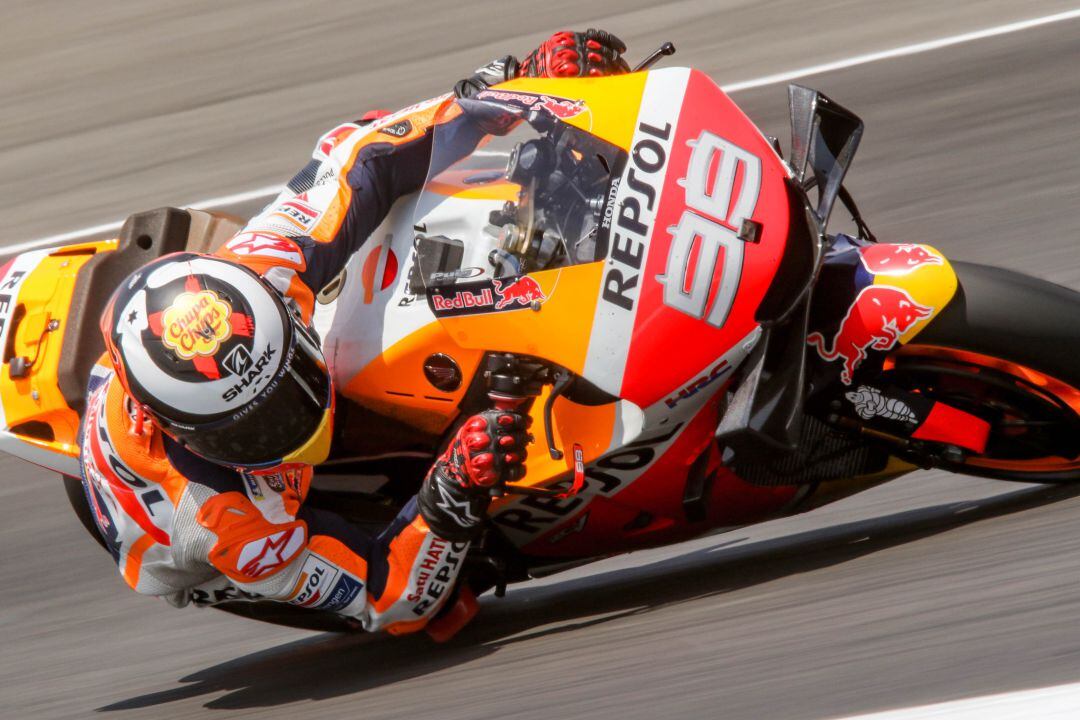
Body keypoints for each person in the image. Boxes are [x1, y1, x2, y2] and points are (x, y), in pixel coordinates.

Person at [79, 30, 630, 638]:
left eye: (286, 384)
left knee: (410, 208)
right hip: (219, 538)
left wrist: (510, 89)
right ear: (187, 432)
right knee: (446, 611)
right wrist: (447, 496)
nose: (290, 419)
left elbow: (360, 155)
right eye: (254, 427)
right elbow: (386, 597)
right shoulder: (227, 525)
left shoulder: (260, 272)